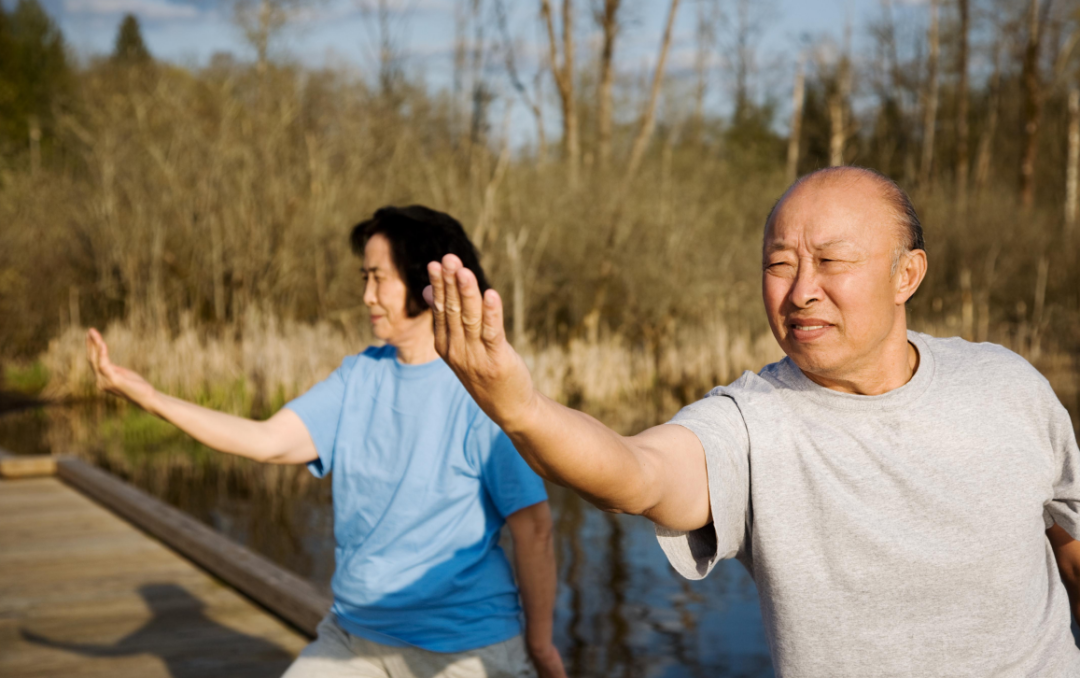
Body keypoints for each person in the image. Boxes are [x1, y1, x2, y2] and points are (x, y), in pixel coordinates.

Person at [425, 166, 1080, 676]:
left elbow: (1068, 537)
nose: (800, 291)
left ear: (906, 273)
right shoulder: (749, 424)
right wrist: (522, 410)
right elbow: (636, 474)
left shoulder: (1006, 384)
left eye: (831, 261)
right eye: (779, 264)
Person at [86, 205, 567, 678]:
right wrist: (149, 398)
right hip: (355, 637)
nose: (367, 296)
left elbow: (534, 530)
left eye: (379, 278)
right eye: (364, 278)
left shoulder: (482, 394)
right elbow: (267, 440)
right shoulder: (358, 376)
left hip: (465, 649)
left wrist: (541, 645)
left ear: (425, 280)